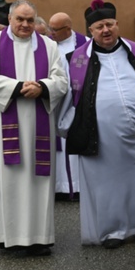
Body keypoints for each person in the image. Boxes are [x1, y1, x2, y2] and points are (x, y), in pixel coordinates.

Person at [58, 0, 135, 249]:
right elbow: (65, 97)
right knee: (107, 183)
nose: (105, 30)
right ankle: (112, 230)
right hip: (100, 135)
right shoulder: (74, 59)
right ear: (90, 31)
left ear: (117, 24)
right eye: (98, 27)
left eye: (109, 24)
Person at [0, 0, 68, 256]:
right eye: (20, 19)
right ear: (10, 19)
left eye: (29, 20)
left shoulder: (48, 46)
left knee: (39, 181)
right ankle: (7, 237)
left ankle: (39, 238)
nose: (25, 25)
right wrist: (15, 88)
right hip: (3, 127)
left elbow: (61, 79)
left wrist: (43, 87)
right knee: (5, 179)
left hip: (40, 127)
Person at [49, 11, 88, 199]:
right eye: (50, 29)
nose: (51, 33)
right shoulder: (48, 46)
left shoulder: (84, 45)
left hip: (77, 104)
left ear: (68, 28)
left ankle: (78, 185)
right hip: (55, 103)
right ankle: (59, 187)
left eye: (55, 30)